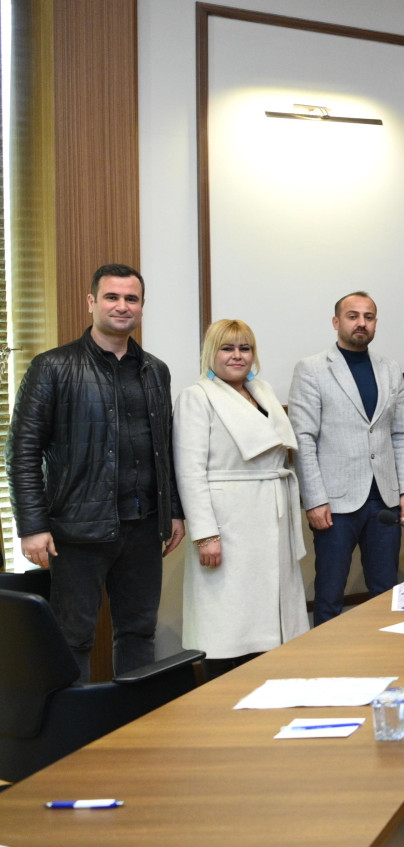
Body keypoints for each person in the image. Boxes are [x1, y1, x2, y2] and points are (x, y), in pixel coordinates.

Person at [7, 264, 185, 680]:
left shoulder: (155, 370)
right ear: (91, 302)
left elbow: (165, 449)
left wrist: (173, 511)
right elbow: (22, 451)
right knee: (73, 637)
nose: (122, 306)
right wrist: (33, 526)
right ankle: (74, 719)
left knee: (139, 632)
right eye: (112, 297)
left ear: (142, 306)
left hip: (143, 527)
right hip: (77, 531)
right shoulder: (52, 367)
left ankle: (139, 716)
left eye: (131, 299)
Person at [174, 319, 309, 677]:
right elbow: (189, 472)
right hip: (228, 522)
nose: (237, 355)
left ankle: (266, 688)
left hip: (272, 514)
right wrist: (206, 535)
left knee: (268, 622)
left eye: (244, 348)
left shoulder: (262, 390)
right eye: (227, 348)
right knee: (227, 620)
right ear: (211, 353)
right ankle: (223, 695)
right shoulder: (197, 397)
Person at [288, 291, 404, 625]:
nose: (361, 323)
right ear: (336, 322)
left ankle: (386, 651)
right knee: (330, 595)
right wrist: (314, 499)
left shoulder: (390, 369)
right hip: (334, 505)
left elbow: (401, 432)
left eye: (368, 317)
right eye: (353, 316)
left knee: (386, 592)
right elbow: (303, 439)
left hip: (385, 501)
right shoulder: (312, 369)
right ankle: (325, 656)